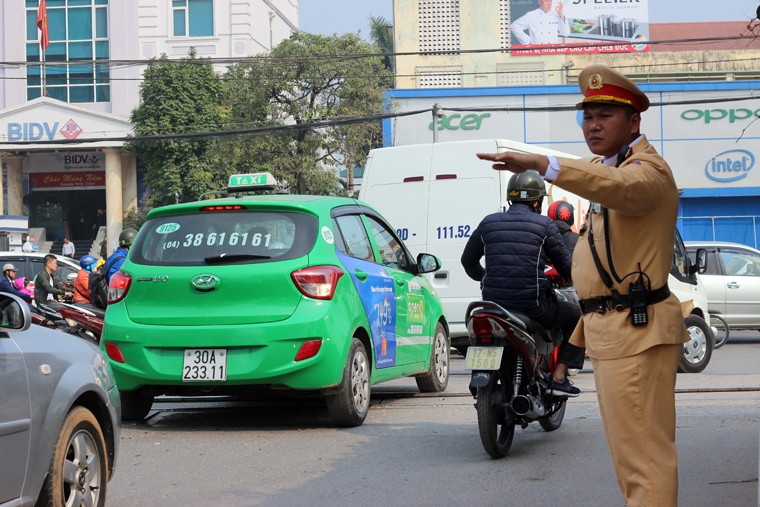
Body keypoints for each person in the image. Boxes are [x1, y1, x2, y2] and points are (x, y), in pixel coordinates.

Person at [476, 64, 688, 507]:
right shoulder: (609, 168)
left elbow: (612, 185)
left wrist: (542, 163)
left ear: (634, 122)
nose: (593, 124)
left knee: (644, 462)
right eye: (587, 116)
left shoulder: (647, 172)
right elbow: (598, 183)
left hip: (638, 331)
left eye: (605, 115)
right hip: (616, 330)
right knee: (632, 462)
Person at [461, 170, 585, 396]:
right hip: (532, 305)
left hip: (492, 304)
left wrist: (484, 277)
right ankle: (558, 376)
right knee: (577, 316)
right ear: (537, 202)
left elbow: (467, 261)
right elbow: (567, 268)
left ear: (511, 198)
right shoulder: (545, 226)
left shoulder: (488, 223)